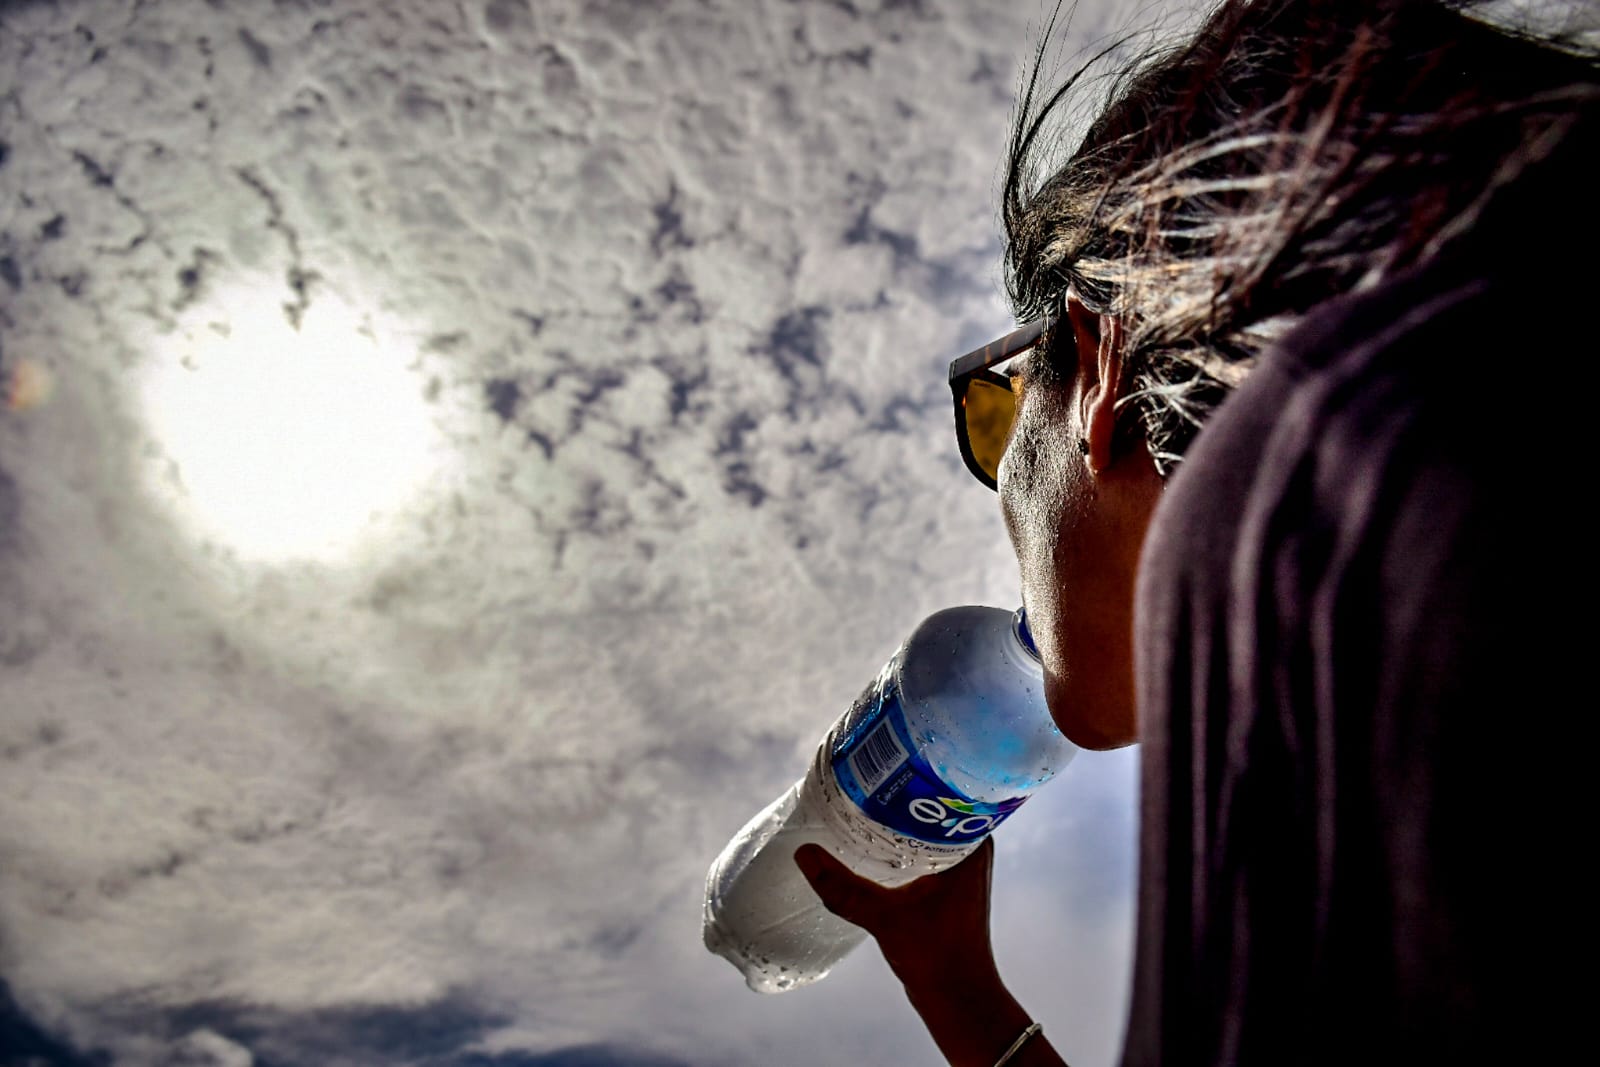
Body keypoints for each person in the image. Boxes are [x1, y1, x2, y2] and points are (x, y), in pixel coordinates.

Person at [794, 1, 1598, 1064]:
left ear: (1094, 362)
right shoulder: (1469, 421)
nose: (1000, 495)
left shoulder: (1297, 484)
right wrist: (955, 984)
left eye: (998, 427)